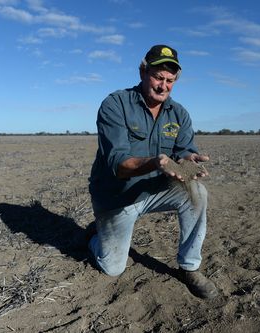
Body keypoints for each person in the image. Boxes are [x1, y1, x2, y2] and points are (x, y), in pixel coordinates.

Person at [87, 45, 218, 299]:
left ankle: (189, 267)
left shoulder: (179, 113)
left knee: (197, 191)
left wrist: (188, 158)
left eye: (170, 81)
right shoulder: (116, 104)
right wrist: (156, 163)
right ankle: (95, 237)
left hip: (154, 191)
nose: (163, 86)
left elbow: (183, 151)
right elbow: (118, 164)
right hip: (117, 197)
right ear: (143, 71)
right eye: (158, 77)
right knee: (112, 268)